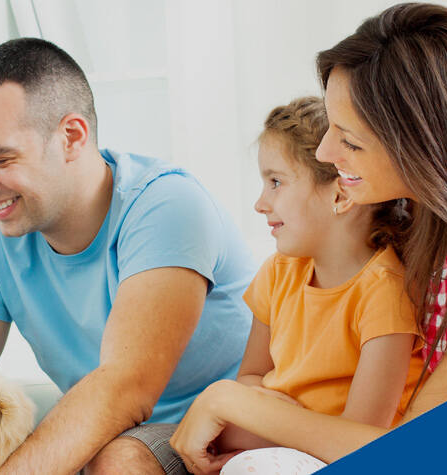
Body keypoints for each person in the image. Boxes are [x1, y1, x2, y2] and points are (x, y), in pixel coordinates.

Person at [169, 4, 447, 473]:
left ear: (426, 146)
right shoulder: (415, 222)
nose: (327, 153)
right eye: (331, 125)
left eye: (350, 141)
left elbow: (404, 454)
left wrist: (235, 402)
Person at [0, 37, 257, 474]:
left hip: (215, 433)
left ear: (71, 137)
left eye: (0, 159)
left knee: (117, 459)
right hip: (112, 432)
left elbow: (125, 389)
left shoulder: (167, 205)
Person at [170, 96, 421, 465]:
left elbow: (359, 440)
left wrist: (252, 415)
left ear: (340, 194)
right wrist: (253, 408)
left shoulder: (385, 293)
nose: (260, 203)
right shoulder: (278, 272)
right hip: (271, 446)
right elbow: (251, 378)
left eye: (276, 182)